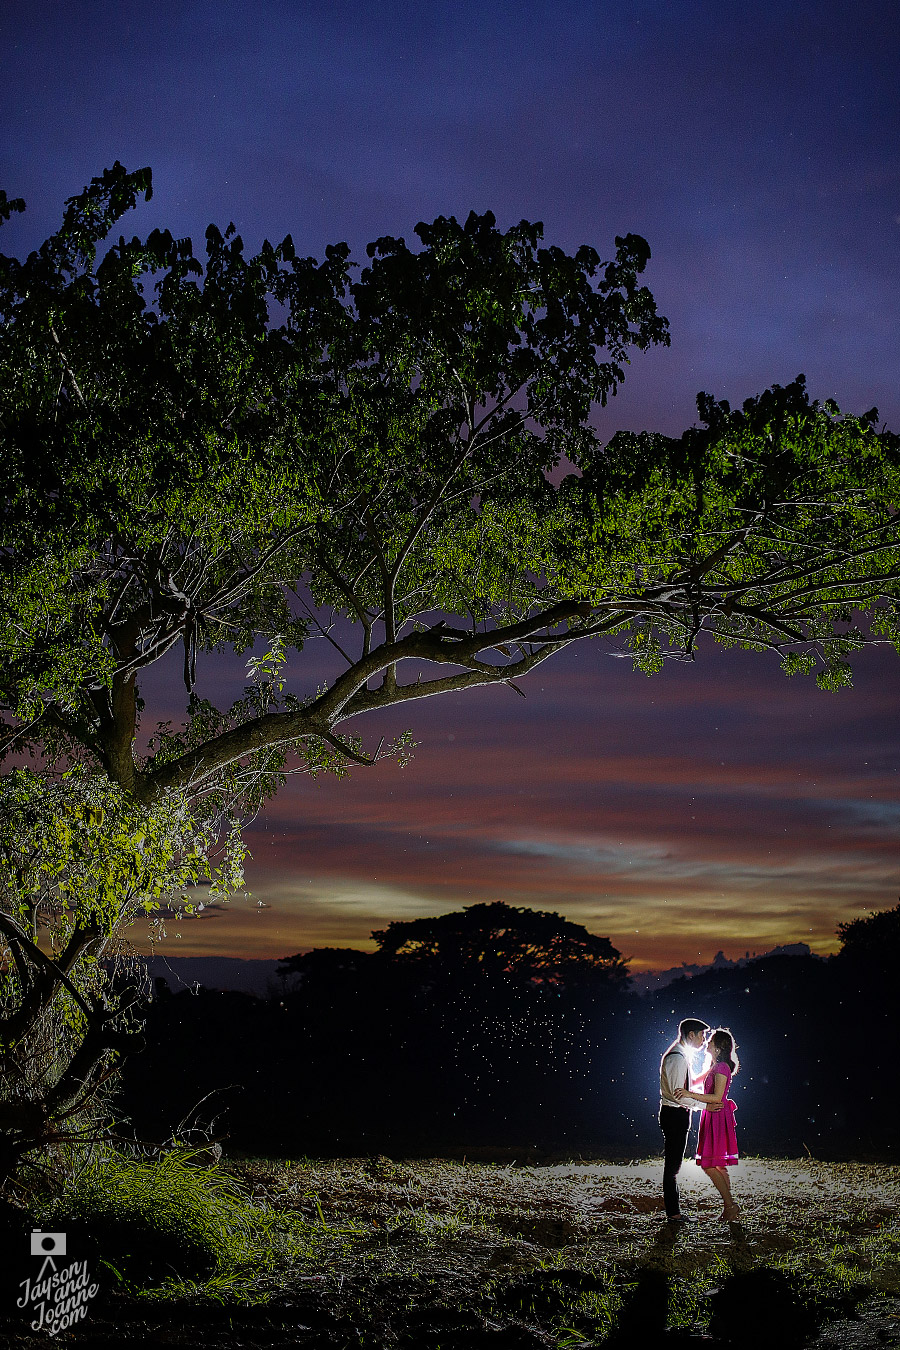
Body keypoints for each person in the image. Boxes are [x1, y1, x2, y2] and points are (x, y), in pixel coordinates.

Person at [675, 1026, 740, 1222]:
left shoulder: (721, 1067)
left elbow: (717, 1096)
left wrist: (689, 1094)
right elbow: (697, 1084)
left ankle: (730, 1205)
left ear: (718, 1047)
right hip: (713, 1116)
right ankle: (729, 1208)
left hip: (717, 1116)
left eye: (710, 1041)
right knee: (717, 1165)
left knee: (710, 1165)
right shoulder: (715, 1066)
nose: (707, 1043)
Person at [658, 1017, 712, 1224]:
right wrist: (705, 1105)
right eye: (702, 1035)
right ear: (691, 1035)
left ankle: (674, 1212)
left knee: (674, 1165)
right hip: (674, 1115)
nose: (704, 1040)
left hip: (677, 1114)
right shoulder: (677, 1057)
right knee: (672, 1167)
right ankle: (673, 1213)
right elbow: (676, 1094)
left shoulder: (680, 1055)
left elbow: (683, 1090)